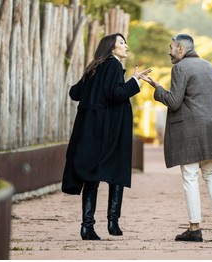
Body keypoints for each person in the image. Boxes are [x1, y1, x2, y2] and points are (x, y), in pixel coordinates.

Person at [62, 33, 151, 240]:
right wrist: (135, 82)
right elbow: (115, 93)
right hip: (109, 129)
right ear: (111, 48)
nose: (126, 45)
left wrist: (90, 83)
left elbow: (75, 93)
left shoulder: (95, 67)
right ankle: (113, 222)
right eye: (121, 42)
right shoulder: (112, 65)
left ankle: (88, 226)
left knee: (92, 176)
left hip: (89, 130)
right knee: (116, 169)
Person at [141, 34, 212, 242]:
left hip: (190, 130)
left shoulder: (180, 68)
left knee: (190, 176)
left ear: (181, 49)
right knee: (211, 174)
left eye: (171, 47)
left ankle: (194, 228)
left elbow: (174, 102)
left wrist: (157, 88)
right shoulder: (209, 66)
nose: (169, 51)